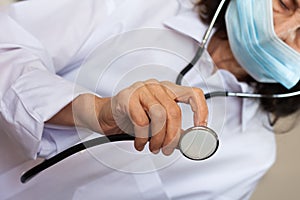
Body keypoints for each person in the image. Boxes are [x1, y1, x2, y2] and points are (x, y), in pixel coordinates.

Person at [0, 0, 299, 199]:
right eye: (285, 4)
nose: (282, 33)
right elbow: (7, 45)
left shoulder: (250, 158)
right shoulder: (141, 4)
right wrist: (95, 111)